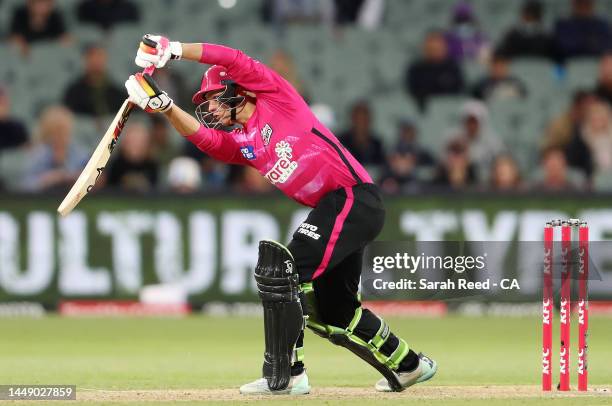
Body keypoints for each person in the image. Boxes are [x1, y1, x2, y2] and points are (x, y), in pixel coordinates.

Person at [125, 34, 437, 395]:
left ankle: (287, 374)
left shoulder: (276, 97)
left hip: (352, 198)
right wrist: (165, 107)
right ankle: (408, 365)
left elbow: (234, 57)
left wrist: (174, 50)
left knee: (282, 270)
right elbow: (208, 141)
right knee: (333, 313)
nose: (209, 108)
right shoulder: (246, 140)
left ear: (233, 88)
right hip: (339, 210)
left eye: (211, 98)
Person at [22, 106, 87, 192]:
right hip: (44, 199)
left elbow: (93, 177)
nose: (61, 136)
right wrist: (48, 179)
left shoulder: (77, 152)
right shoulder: (38, 153)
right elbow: (25, 185)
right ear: (47, 132)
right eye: (57, 131)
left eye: (65, 131)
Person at [405, 30, 465, 112]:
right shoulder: (415, 69)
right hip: (423, 112)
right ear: (425, 48)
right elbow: (411, 94)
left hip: (452, 111)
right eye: (431, 47)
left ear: (445, 47)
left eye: (438, 47)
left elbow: (460, 93)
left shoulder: (454, 68)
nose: (435, 50)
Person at [63, 44, 125, 117]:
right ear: (85, 60)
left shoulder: (117, 93)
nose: (96, 61)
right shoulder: (73, 92)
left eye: (99, 56)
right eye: (91, 56)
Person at [337, 100, 386, 169]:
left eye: (364, 119)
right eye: (358, 119)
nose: (361, 123)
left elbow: (381, 166)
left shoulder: (377, 144)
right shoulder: (341, 142)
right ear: (352, 119)